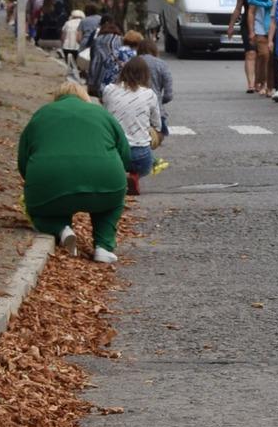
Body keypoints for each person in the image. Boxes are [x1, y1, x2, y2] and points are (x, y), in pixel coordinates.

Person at [18, 81, 129, 263]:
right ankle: (103, 246)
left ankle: (61, 228)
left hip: (51, 181)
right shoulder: (101, 113)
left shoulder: (42, 114)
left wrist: (35, 186)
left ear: (57, 98)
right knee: (110, 206)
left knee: (40, 210)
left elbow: (23, 159)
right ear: (84, 97)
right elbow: (125, 153)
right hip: (105, 181)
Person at [102, 55, 165, 195]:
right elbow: (158, 125)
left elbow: (106, 115)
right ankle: (134, 176)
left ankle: (118, 178)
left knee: (113, 164)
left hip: (115, 152)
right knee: (146, 160)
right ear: (145, 75)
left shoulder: (109, 90)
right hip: (140, 155)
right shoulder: (149, 94)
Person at [122, 30, 173, 134]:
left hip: (135, 111)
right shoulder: (162, 64)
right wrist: (159, 100)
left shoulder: (131, 63)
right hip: (157, 112)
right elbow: (169, 95)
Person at [229, 0, 263, 93]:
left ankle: (259, 81)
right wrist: (231, 26)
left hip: (260, 25)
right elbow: (238, 8)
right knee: (250, 53)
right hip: (246, 25)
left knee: (261, 55)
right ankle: (250, 84)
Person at [248, 0, 278, 99]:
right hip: (260, 27)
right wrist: (251, 31)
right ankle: (261, 83)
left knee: (271, 59)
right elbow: (251, 11)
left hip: (273, 29)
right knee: (264, 55)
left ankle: (269, 85)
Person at [84, 16, 127, 94]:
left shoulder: (97, 40)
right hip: (113, 79)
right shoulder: (121, 40)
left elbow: (92, 59)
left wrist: (90, 82)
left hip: (97, 78)